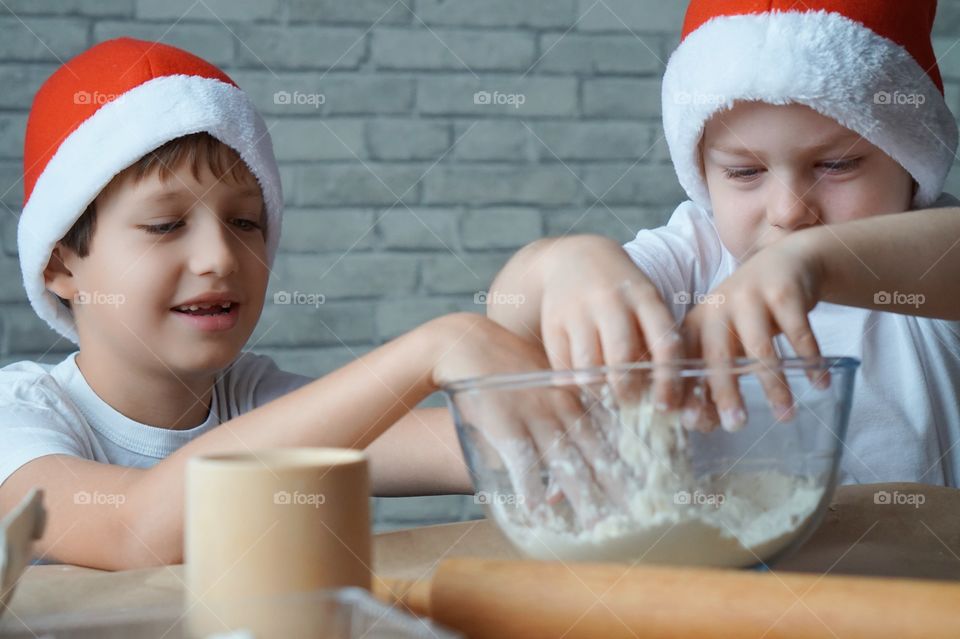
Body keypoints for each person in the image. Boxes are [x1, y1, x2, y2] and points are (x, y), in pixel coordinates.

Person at [0, 38, 549, 569]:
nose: (219, 257)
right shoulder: (20, 417)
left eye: (245, 223)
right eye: (165, 225)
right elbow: (132, 531)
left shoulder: (251, 398)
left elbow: (494, 446)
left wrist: (564, 287)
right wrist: (439, 347)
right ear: (60, 266)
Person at [489, 0, 960, 488]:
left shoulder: (928, 251)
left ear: (912, 164)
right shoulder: (697, 253)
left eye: (837, 165)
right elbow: (511, 323)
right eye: (744, 172)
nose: (788, 210)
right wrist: (566, 263)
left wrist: (813, 263)